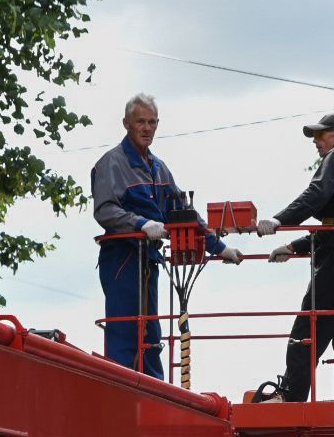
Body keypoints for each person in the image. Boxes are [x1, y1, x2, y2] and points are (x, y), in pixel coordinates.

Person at [92, 93, 242, 377]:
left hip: (149, 260)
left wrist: (219, 247)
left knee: (151, 334)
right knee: (126, 332)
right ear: (126, 123)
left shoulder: (159, 169)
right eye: (140, 122)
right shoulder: (111, 164)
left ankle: (154, 391)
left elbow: (182, 212)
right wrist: (140, 224)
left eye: (152, 122)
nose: (147, 128)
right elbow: (105, 211)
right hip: (122, 258)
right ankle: (121, 389)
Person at [253, 113, 334, 403]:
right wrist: (294, 246)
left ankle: (290, 396)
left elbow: (317, 194)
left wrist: (279, 220)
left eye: (322, 134)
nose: (316, 141)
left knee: (308, 327)